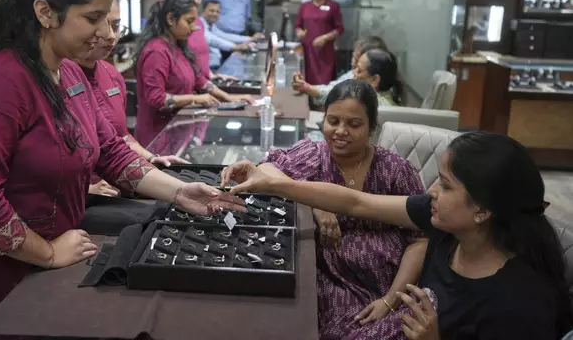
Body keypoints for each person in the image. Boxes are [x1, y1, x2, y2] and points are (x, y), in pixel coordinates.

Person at [0, 0, 246, 339]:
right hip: (3, 269)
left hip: (59, 254)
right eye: (93, 18)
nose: (107, 32)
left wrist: (180, 192)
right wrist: (47, 253)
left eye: (109, 18)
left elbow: (110, 151)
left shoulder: (68, 71)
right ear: (45, 13)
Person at [222, 134, 573, 340]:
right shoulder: (449, 225)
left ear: (482, 210)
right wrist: (275, 183)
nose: (431, 191)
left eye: (446, 185)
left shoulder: (521, 305)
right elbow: (358, 202)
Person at [256, 79, 427, 339]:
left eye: (354, 124)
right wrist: (313, 201)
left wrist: (390, 300)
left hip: (392, 285)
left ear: (372, 129)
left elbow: (420, 239)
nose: (340, 131)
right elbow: (266, 170)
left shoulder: (395, 170)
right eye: (333, 121)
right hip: (334, 283)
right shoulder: (313, 156)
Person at [73, 0, 189, 197]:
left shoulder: (112, 75)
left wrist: (150, 158)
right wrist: (86, 189)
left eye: (116, 26)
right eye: (97, 23)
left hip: (122, 185)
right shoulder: (60, 77)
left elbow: (121, 136)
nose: (110, 35)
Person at [134, 0, 254, 147]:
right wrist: (195, 98)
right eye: (189, 21)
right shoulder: (157, 52)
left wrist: (228, 98)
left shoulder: (177, 46)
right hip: (157, 137)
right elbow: (156, 98)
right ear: (171, 18)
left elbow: (199, 80)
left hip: (177, 130)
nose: (194, 28)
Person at [174, 0, 239, 82]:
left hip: (201, 82)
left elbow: (197, 58)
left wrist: (210, 74)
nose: (196, 1)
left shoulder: (198, 23)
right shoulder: (172, 23)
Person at [294, 35, 387, 105]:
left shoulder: (378, 101)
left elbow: (335, 94)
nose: (353, 62)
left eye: (356, 58)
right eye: (353, 56)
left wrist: (308, 88)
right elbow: (335, 89)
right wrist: (306, 87)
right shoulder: (354, 75)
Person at [295, 0, 344, 86]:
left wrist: (324, 37)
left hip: (325, 54)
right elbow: (298, 25)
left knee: (324, 86)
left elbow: (339, 29)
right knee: (307, 86)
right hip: (308, 53)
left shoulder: (333, 6)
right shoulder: (305, 6)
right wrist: (299, 32)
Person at [201, 0, 263, 69]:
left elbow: (224, 36)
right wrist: (235, 47)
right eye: (211, 11)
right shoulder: (200, 25)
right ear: (203, 11)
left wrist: (250, 39)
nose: (215, 14)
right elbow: (211, 39)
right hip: (207, 68)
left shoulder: (211, 26)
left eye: (217, 12)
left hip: (214, 65)